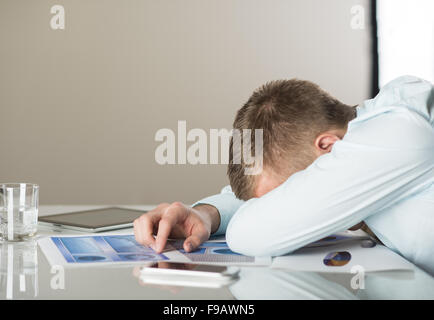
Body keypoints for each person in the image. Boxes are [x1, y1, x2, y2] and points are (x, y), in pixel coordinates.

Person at [133, 75, 434, 274]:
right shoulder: (378, 135)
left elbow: (251, 233)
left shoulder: (399, 134)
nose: (285, 202)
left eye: (290, 190)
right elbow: (283, 196)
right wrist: (205, 215)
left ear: (328, 146)